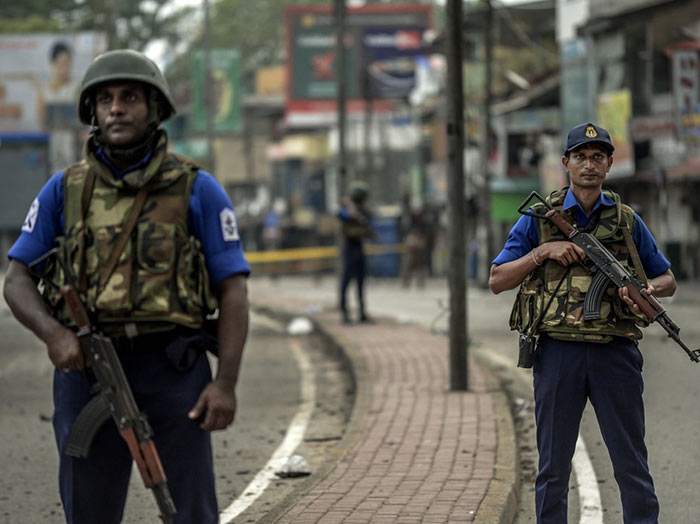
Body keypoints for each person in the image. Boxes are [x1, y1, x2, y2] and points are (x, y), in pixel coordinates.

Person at [2, 49, 250, 524]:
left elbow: (233, 290)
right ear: (92, 113)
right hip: (88, 371)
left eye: (130, 97)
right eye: (105, 99)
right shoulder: (63, 190)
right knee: (89, 511)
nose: (116, 108)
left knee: (190, 511)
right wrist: (55, 336)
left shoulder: (197, 189)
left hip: (174, 369)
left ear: (154, 109)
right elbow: (17, 280)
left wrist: (226, 384)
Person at [489, 122, 675, 524]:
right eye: (580, 157)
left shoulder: (626, 221)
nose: (588, 165)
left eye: (597, 157)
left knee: (631, 466)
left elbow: (668, 279)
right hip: (557, 353)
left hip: (615, 354)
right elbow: (498, 279)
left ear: (608, 164)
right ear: (566, 164)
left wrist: (645, 291)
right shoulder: (539, 220)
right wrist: (544, 252)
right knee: (553, 468)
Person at [338, 181, 374, 324]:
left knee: (360, 282)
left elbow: (369, 219)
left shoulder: (362, 211)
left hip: (359, 247)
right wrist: (350, 208)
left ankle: (362, 313)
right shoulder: (345, 210)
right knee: (346, 281)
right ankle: (345, 313)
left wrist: (357, 212)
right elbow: (343, 216)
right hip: (350, 248)